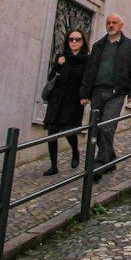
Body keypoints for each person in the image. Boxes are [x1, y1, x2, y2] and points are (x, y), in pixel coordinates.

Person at [80, 13, 131, 179]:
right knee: (98, 127)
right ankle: (110, 158)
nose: (111, 25)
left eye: (114, 23)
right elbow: (89, 70)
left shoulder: (129, 46)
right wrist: (84, 93)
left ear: (121, 25)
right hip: (97, 92)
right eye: (108, 23)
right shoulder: (99, 45)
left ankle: (99, 164)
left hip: (116, 93)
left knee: (107, 126)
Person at [41, 29, 88, 176]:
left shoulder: (86, 59)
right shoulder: (61, 58)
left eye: (77, 39)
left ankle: (75, 151)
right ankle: (53, 166)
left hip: (74, 100)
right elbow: (51, 77)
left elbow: (87, 80)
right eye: (71, 39)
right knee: (52, 131)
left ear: (82, 42)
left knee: (69, 130)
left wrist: (85, 96)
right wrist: (57, 65)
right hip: (57, 98)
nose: (74, 42)